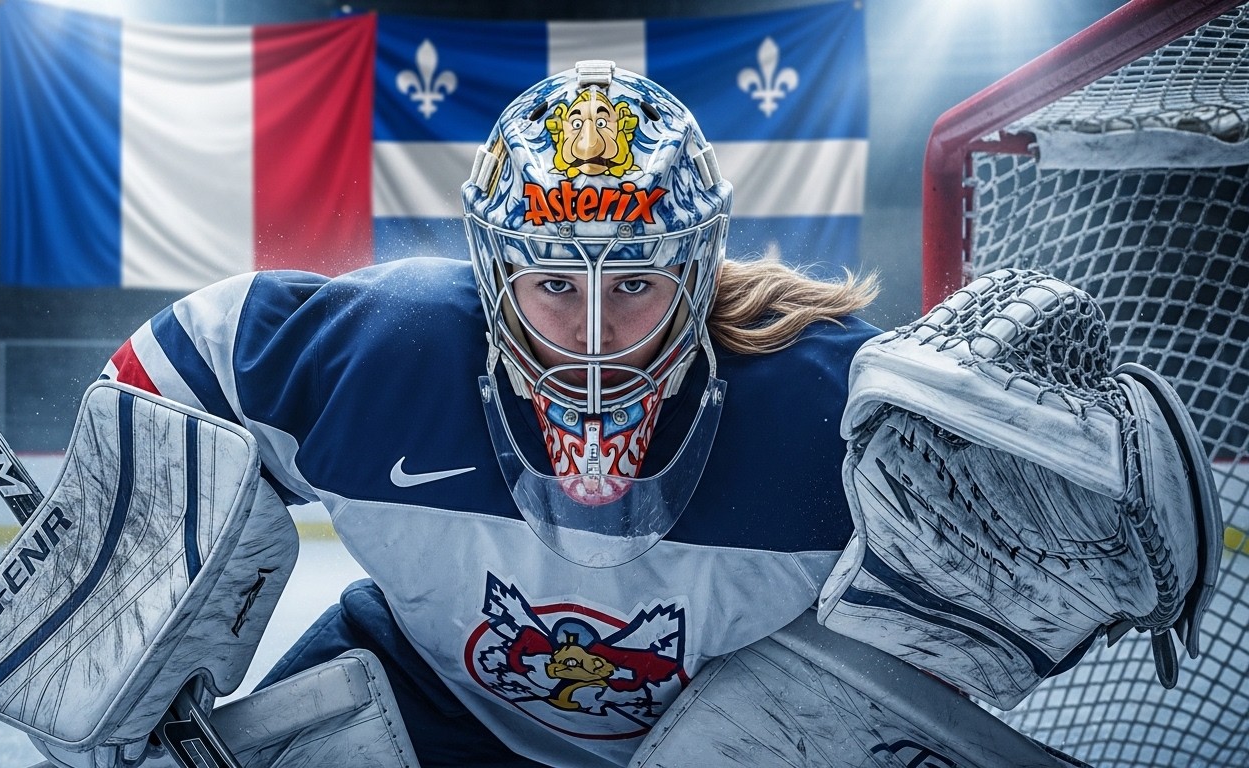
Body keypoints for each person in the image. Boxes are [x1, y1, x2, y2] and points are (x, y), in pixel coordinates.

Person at [101, 61, 878, 768]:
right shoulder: (398, 349)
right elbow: (180, 364)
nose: (593, 333)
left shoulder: (829, 402)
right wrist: (117, 606)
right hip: (423, 698)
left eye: (635, 283)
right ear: (494, 274)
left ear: (695, 273)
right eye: (556, 285)